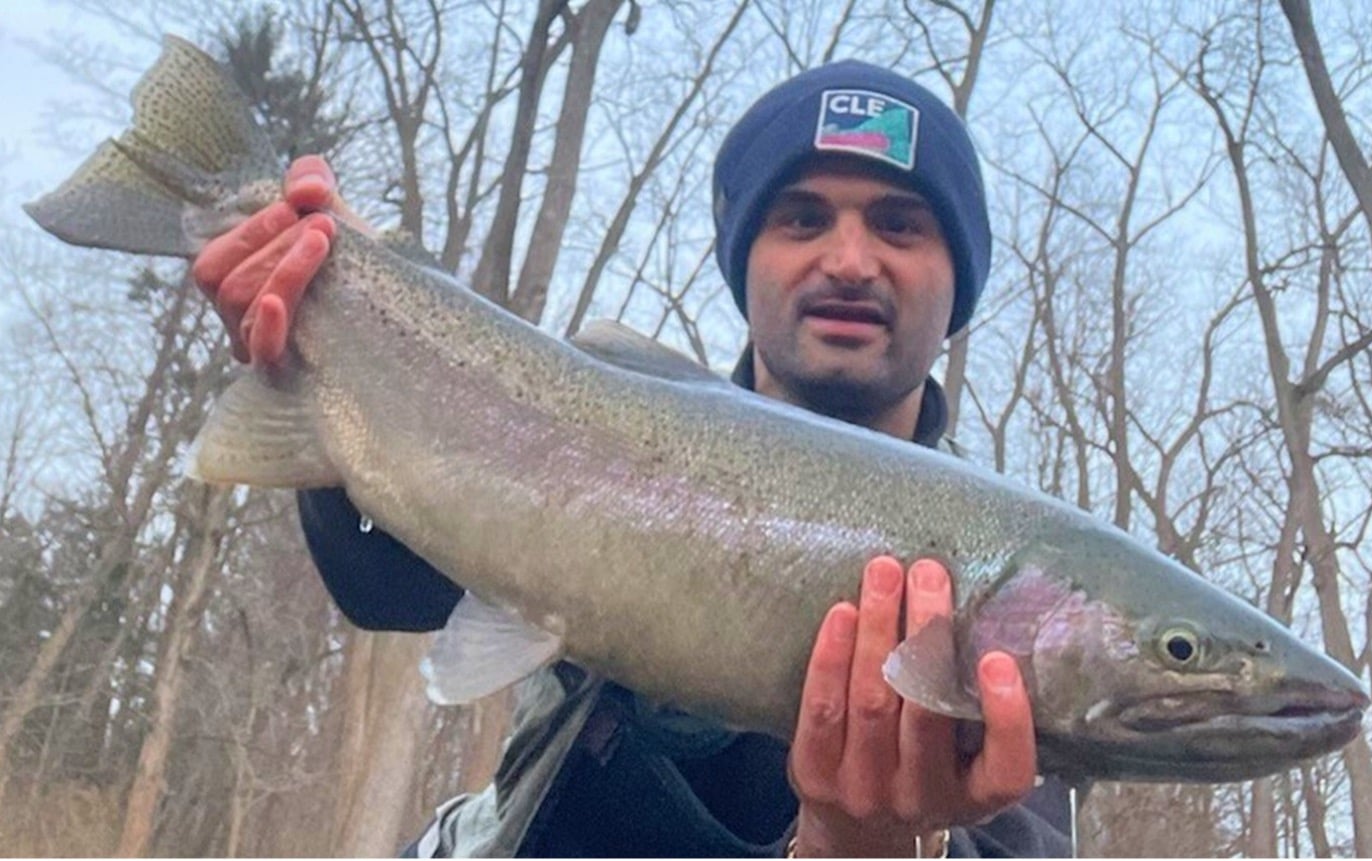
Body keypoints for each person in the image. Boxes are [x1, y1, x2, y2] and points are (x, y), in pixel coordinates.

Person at [191, 61, 1072, 857]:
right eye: (802, 218)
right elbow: (393, 589)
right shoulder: (596, 425)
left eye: (900, 224)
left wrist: (861, 845)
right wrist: (325, 315)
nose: (848, 259)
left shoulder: (1020, 587)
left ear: (961, 279)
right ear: (746, 261)